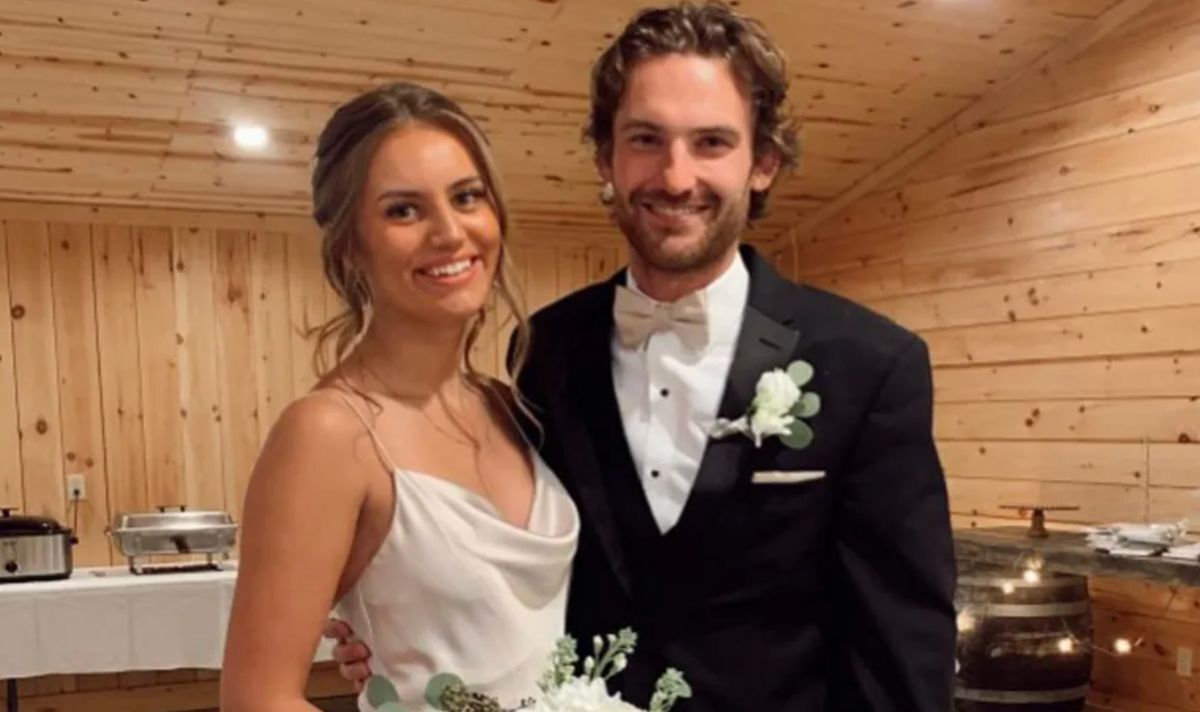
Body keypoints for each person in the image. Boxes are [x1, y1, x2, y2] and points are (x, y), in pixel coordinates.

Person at [332, 2, 958, 709]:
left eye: (712, 142)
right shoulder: (545, 349)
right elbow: (517, 568)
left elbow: (904, 647)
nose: (675, 176)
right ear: (606, 157)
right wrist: (404, 631)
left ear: (763, 162)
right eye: (646, 139)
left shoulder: (870, 363)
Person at [219, 82, 579, 712]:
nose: (450, 232)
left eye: (466, 197)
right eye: (404, 211)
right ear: (351, 245)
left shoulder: (509, 406)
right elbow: (257, 700)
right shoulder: (328, 434)